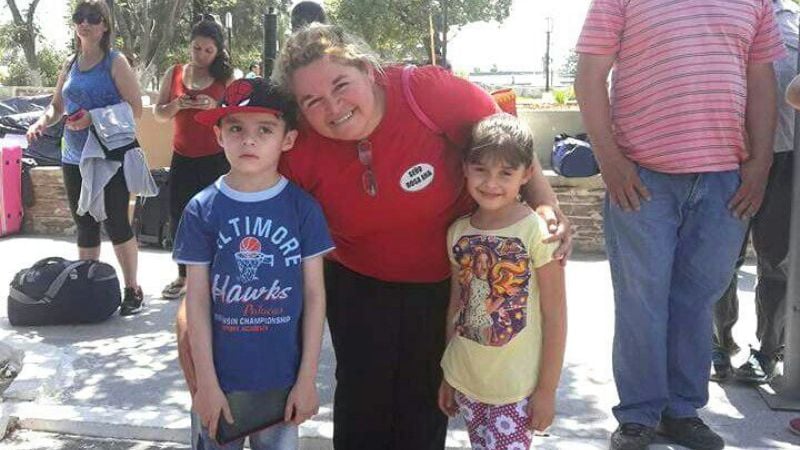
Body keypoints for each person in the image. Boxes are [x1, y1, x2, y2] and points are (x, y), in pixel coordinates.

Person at [176, 24, 572, 450]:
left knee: (423, 401)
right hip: (356, 281)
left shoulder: (427, 93)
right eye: (312, 101)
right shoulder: (298, 147)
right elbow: (242, 222)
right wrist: (192, 319)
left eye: (341, 85)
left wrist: (546, 204)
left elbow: (507, 141)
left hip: (441, 282)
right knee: (362, 401)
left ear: (368, 70)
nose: (333, 107)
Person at [575, 1, 785, 449]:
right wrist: (610, 161)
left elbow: (761, 78)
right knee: (641, 303)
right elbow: (590, 74)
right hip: (642, 177)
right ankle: (638, 415)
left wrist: (761, 161)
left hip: (724, 180)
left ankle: (682, 410)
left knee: (696, 301)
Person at [174, 77, 334, 450]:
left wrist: (307, 379)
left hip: (282, 382)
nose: (249, 140)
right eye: (236, 128)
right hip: (219, 384)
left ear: (288, 139)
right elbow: (196, 300)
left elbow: (314, 296)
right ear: (218, 135)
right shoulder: (201, 210)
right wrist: (205, 384)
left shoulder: (303, 209)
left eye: (265, 129)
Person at [437, 113, 567, 450]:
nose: (491, 182)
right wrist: (448, 375)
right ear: (465, 167)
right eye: (481, 169)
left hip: (516, 389)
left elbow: (555, 316)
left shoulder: (537, 233)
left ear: (526, 174)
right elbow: (457, 306)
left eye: (505, 173)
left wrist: (547, 390)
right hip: (467, 379)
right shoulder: (458, 231)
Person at [26, 0, 145, 315]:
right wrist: (41, 122)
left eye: (94, 18)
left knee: (118, 222)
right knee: (85, 222)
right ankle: (88, 286)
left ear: (105, 26)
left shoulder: (115, 62)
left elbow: (136, 110)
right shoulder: (70, 63)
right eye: (80, 17)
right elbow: (56, 106)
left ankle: (132, 288)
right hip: (74, 155)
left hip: (110, 154)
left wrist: (94, 118)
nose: (86, 23)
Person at [712, 0, 798, 384]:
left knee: (776, 260)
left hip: (785, 157)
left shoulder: (794, 23)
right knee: (717, 258)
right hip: (728, 157)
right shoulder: (720, 11)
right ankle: (718, 343)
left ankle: (768, 350)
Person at [154, 17, 234, 300]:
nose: (200, 55)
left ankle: (219, 274)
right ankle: (183, 275)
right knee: (180, 214)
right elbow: (159, 113)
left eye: (207, 50)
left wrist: (216, 107)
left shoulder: (226, 78)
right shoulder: (175, 72)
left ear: (217, 52)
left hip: (215, 157)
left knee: (218, 216)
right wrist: (177, 105)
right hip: (183, 156)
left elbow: (235, 115)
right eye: (196, 48)